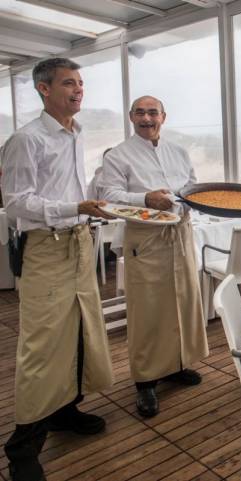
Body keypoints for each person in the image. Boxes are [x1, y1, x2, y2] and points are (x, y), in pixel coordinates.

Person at [0, 58, 114, 481]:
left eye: (81, 83)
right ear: (44, 89)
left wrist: (89, 210)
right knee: (42, 345)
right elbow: (16, 202)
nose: (79, 89)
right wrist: (73, 208)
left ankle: (65, 409)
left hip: (77, 242)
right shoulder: (26, 140)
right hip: (46, 250)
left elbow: (66, 189)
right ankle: (21, 448)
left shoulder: (74, 133)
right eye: (69, 83)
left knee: (81, 329)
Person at [97, 95, 208, 418]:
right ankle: (145, 381)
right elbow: (109, 196)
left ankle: (175, 365)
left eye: (153, 112)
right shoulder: (119, 156)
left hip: (180, 233)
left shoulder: (178, 151)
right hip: (144, 237)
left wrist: (186, 202)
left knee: (181, 301)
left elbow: (191, 187)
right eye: (141, 113)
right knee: (147, 308)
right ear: (132, 117)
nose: (147, 118)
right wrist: (145, 197)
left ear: (164, 116)